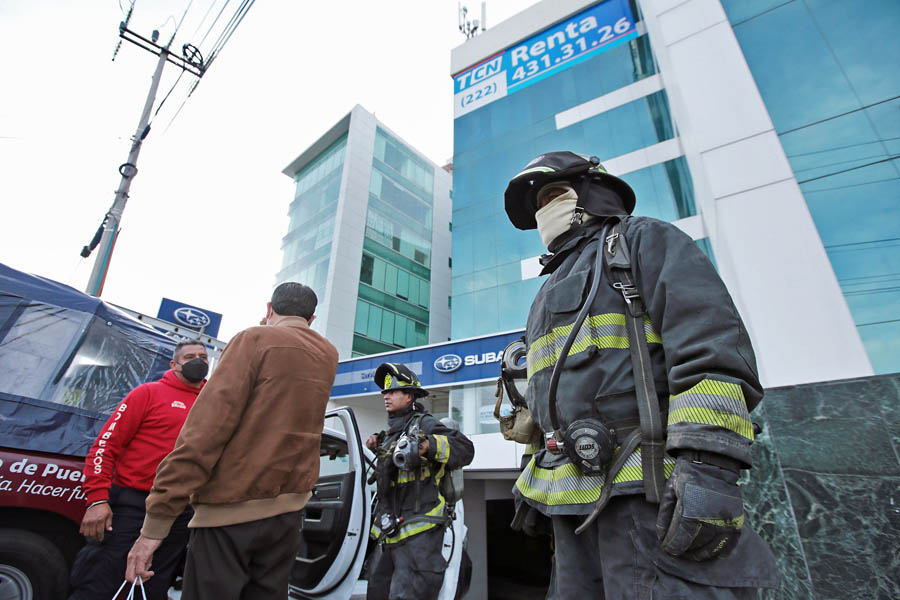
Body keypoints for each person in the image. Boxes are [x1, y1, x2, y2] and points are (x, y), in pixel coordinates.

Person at [503, 151, 779, 598]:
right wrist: (535, 474)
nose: (543, 212)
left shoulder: (642, 241)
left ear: (592, 191)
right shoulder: (545, 292)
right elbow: (547, 402)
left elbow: (710, 353)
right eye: (537, 205)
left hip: (649, 495)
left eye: (553, 194)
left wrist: (708, 468)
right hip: (570, 507)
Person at [124, 282, 339, 599]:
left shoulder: (254, 338)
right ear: (312, 319)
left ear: (268, 310)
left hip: (230, 511)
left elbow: (205, 432)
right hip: (289, 515)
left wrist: (156, 523)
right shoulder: (327, 354)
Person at [68, 340, 209, 600]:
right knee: (99, 582)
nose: (198, 361)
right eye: (190, 356)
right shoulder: (148, 393)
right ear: (174, 364)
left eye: (203, 356)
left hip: (180, 514)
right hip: (132, 507)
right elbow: (105, 447)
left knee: (152, 589)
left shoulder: (213, 405)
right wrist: (97, 499)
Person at [365, 363, 474, 600]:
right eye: (385, 392)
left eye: (393, 391)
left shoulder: (423, 424)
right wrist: (379, 444)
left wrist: (428, 446)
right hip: (389, 534)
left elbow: (465, 449)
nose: (387, 396)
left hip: (419, 536)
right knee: (377, 592)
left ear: (409, 396)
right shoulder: (393, 432)